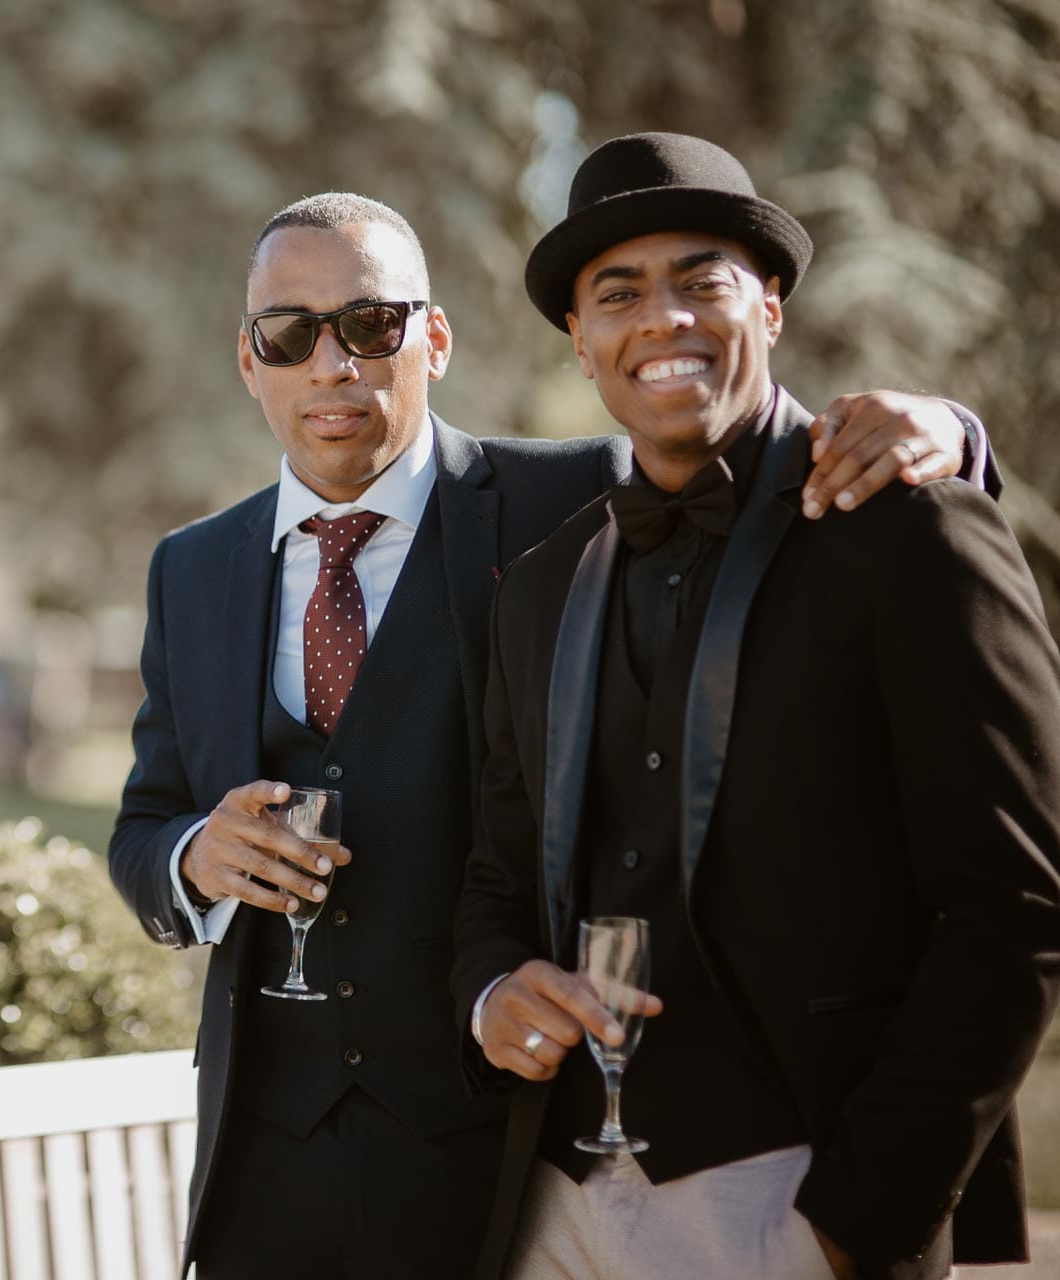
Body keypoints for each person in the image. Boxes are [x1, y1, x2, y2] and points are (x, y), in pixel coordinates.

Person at [105, 187, 994, 1278]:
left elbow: (744, 454)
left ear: (430, 337)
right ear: (248, 361)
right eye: (288, 335)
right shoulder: (188, 567)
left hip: (497, 1164)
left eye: (369, 324)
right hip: (263, 1170)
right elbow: (144, 820)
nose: (330, 364)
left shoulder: (575, 495)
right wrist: (190, 855)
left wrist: (950, 433)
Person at [452, 131, 1060, 1280]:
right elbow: (493, 875)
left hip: (798, 1194)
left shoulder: (910, 529)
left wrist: (852, 1220)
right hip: (551, 1210)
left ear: (768, 307)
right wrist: (491, 990)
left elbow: (1016, 903)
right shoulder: (537, 584)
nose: (661, 318)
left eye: (701, 280)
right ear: (579, 343)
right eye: (617, 293)